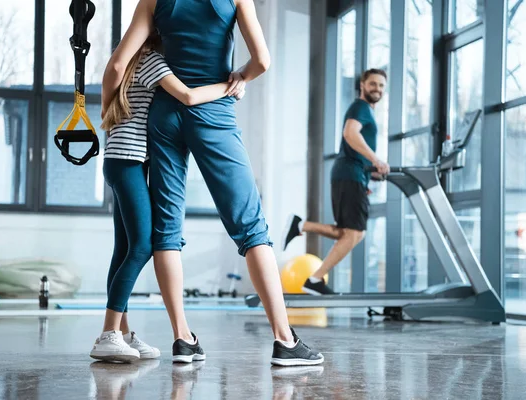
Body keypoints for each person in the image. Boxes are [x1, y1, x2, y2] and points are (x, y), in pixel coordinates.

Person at [102, 0, 323, 367]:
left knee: (166, 231)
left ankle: (183, 338)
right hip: (212, 111)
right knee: (251, 226)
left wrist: (107, 113)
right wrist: (238, 79)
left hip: (165, 113)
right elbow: (262, 61)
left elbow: (119, 63)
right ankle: (285, 340)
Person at [91, 31, 242, 363]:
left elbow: (112, 80)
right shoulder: (150, 60)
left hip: (120, 162)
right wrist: (232, 85)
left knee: (124, 249)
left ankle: (123, 335)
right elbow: (187, 96)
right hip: (129, 163)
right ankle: (108, 334)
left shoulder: (130, 62)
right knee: (143, 245)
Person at [283, 69, 389, 295]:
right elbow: (350, 134)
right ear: (362, 85)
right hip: (349, 174)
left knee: (349, 232)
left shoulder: (365, 110)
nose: (377, 89)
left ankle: (302, 226)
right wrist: (376, 160)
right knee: (354, 233)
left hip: (353, 174)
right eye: (373, 84)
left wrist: (372, 172)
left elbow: (354, 146)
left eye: (381, 85)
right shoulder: (360, 107)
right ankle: (314, 278)